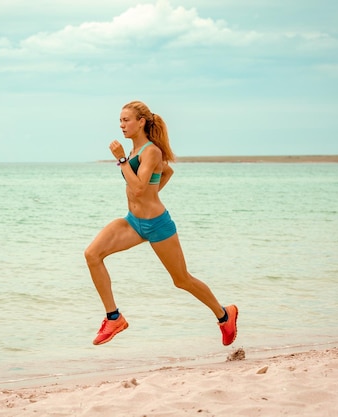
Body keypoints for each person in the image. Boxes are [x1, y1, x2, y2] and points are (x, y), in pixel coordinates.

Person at [84, 100, 238, 346]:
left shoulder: (150, 151)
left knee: (182, 280)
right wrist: (150, 192)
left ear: (141, 122)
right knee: (92, 254)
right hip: (133, 222)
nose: (122, 125)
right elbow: (166, 172)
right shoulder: (137, 152)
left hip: (157, 224)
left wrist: (122, 161)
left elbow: (138, 188)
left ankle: (224, 314)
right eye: (120, 121)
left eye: (126, 120)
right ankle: (113, 318)